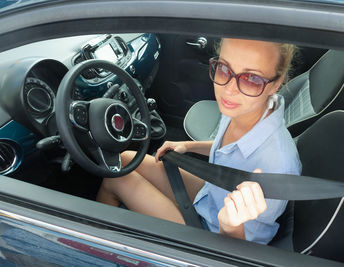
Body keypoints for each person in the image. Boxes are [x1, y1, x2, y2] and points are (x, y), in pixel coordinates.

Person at [97, 38, 302, 245]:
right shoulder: (247, 106)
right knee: (125, 160)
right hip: (211, 195)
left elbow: (239, 254)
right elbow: (229, 149)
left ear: (276, 83)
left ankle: (92, 247)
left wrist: (231, 226)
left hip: (215, 235)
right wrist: (188, 146)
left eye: (252, 78)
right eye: (224, 68)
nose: (229, 89)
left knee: (115, 178)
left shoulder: (277, 167)